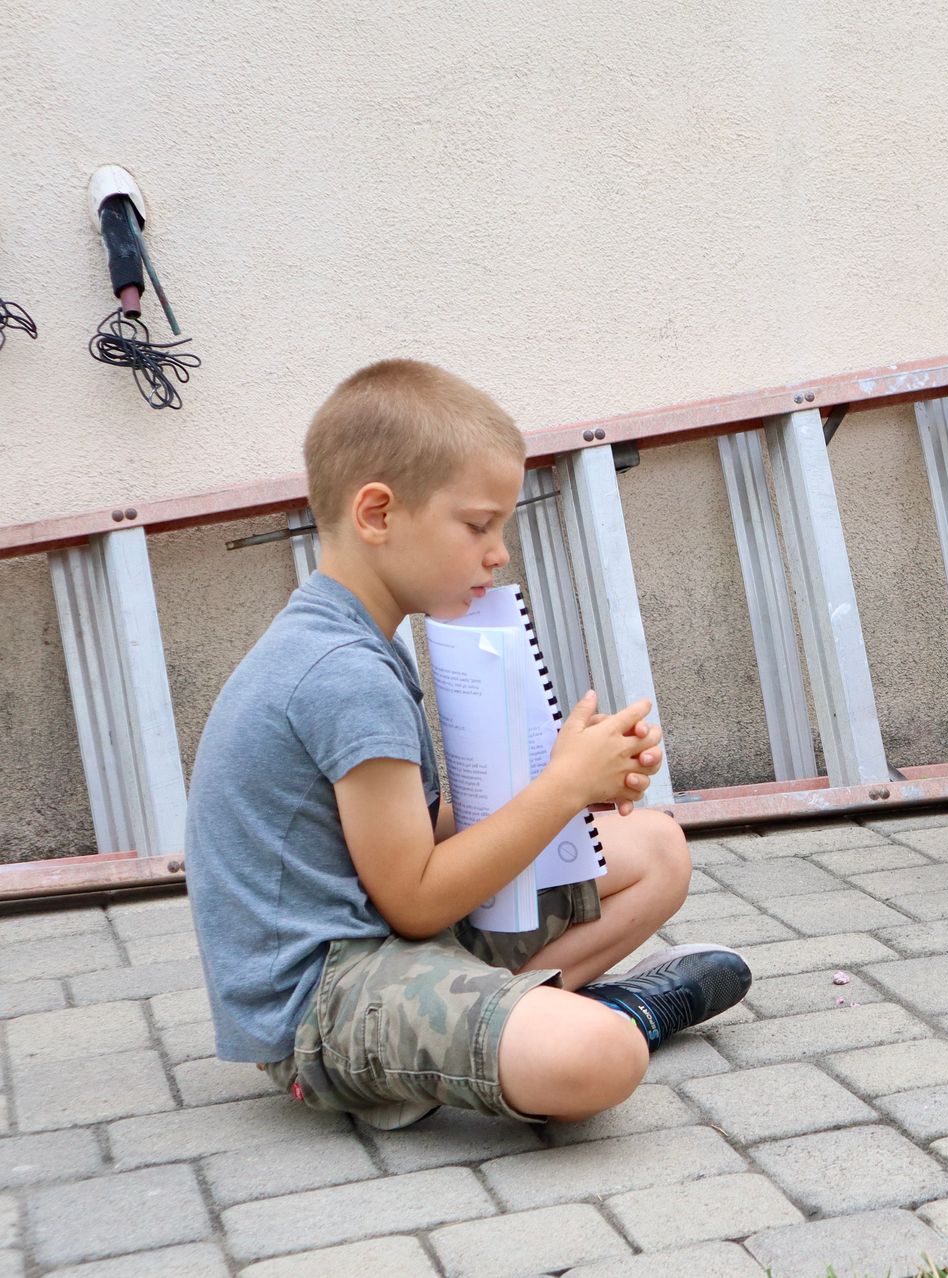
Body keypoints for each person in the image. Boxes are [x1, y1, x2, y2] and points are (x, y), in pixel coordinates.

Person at [186, 359, 749, 1130]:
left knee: (655, 847)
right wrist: (557, 792)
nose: (499, 552)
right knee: (604, 1058)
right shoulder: (343, 674)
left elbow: (409, 837)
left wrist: (576, 787)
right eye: (479, 525)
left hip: (383, 947)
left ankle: (497, 1035)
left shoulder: (352, 639)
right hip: (323, 1007)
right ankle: (603, 1020)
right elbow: (416, 902)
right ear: (378, 514)